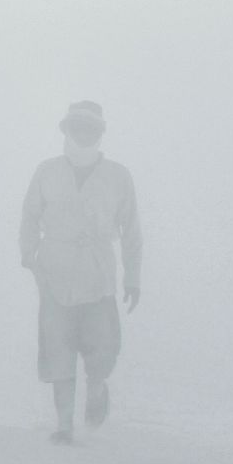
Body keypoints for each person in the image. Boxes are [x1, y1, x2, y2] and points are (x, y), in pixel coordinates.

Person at [19, 100, 143, 444]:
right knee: (58, 347)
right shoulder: (47, 171)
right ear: (66, 130)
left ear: (100, 133)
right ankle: (64, 425)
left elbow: (131, 229)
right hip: (54, 273)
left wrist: (133, 276)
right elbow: (30, 216)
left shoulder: (119, 175)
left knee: (102, 346)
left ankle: (98, 389)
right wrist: (29, 256)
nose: (83, 133)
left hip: (98, 273)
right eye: (77, 127)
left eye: (91, 128)